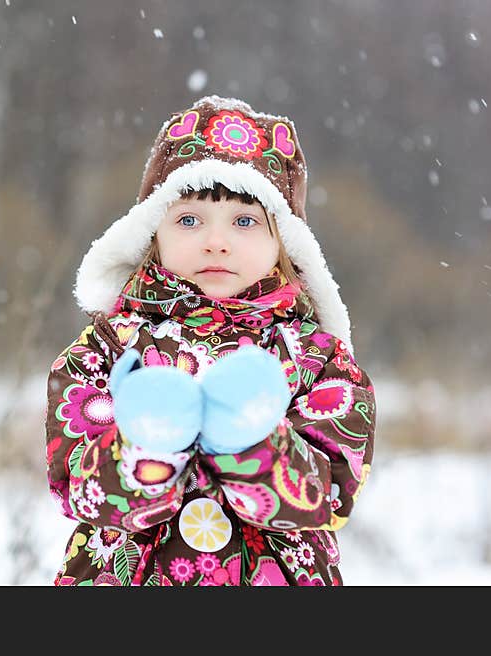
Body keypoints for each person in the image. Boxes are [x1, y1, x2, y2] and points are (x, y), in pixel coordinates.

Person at [45, 95, 377, 586]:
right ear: (152, 233)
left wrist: (250, 438)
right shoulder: (108, 349)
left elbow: (327, 496)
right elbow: (77, 485)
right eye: (189, 219)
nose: (215, 241)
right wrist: (150, 444)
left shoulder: (317, 361)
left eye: (244, 221)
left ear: (282, 241)